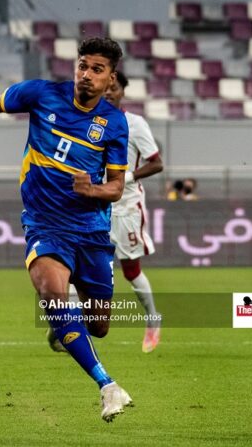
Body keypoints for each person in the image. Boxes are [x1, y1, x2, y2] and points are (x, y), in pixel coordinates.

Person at [0, 37, 133, 423]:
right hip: (45, 222)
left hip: (91, 230)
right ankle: (108, 385)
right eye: (82, 65)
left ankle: (63, 328)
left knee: (100, 325)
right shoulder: (42, 94)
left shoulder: (114, 123)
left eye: (97, 69)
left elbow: (116, 187)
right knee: (50, 293)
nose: (86, 74)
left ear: (111, 78)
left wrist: (92, 189)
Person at [103, 71, 163, 353]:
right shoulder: (86, 121)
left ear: (122, 91)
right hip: (94, 204)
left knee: (130, 270)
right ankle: (68, 326)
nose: (108, 92)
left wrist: (126, 178)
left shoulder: (134, 124)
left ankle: (153, 319)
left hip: (126, 207)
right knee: (81, 266)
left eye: (113, 88)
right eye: (105, 88)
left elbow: (156, 163)